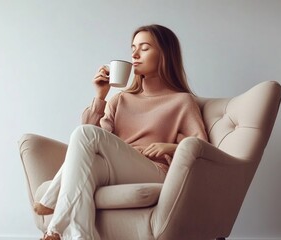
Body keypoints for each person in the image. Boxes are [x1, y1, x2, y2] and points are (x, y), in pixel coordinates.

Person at [33, 24, 209, 240]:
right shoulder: (120, 99)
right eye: (133, 48)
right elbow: (91, 140)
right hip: (116, 168)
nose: (134, 54)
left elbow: (203, 150)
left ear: (165, 54)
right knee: (89, 160)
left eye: (144, 48)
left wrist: (170, 147)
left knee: (85, 134)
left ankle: (54, 216)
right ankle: (81, 236)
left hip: (154, 170)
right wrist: (100, 96)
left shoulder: (182, 101)